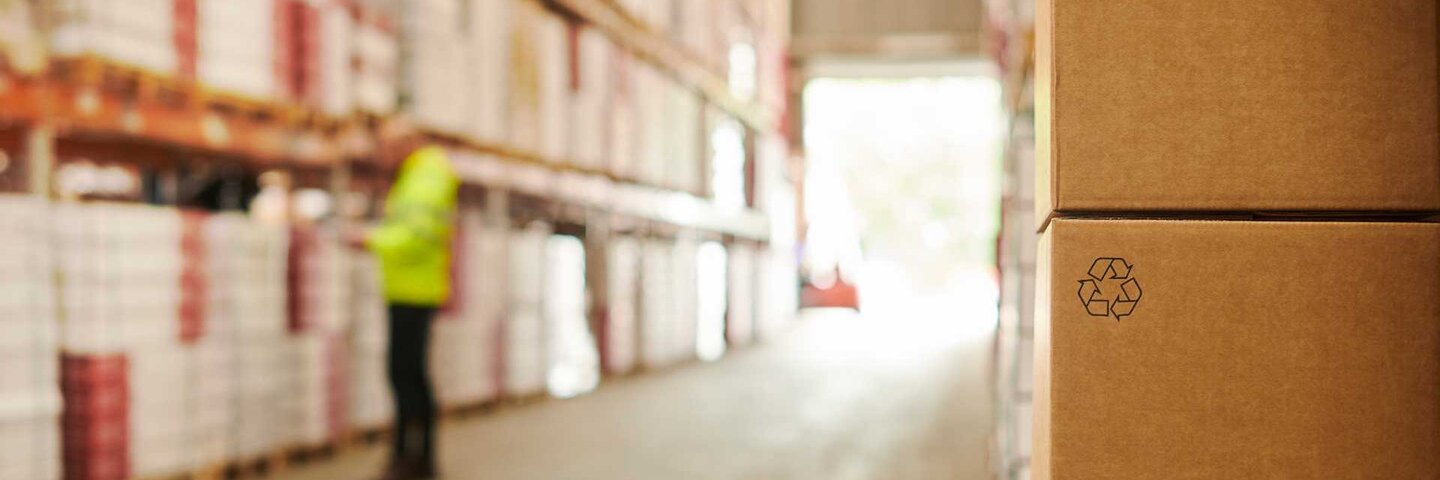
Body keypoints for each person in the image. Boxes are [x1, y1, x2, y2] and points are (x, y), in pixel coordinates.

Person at [361, 117, 458, 480]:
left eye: (387, 147)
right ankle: (410, 456)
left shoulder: (427, 177)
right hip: (406, 288)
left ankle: (416, 459)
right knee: (405, 374)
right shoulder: (417, 176)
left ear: (407, 143)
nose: (382, 155)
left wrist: (370, 239)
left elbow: (415, 236)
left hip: (416, 291)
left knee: (409, 375)